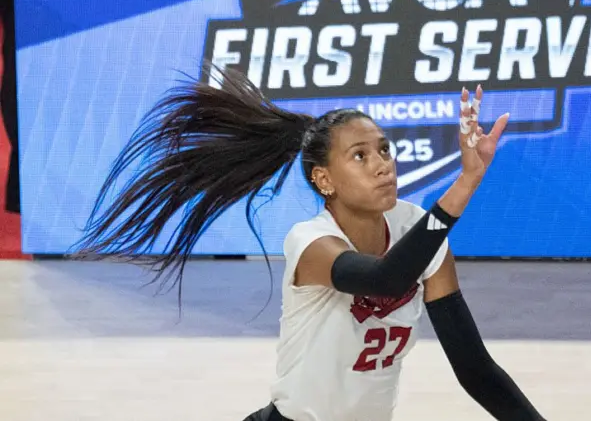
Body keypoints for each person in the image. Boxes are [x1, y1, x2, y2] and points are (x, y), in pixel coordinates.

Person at [73, 66, 546, 421]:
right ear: (324, 179)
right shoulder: (312, 242)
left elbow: (475, 369)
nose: (382, 164)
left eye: (384, 149)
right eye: (360, 156)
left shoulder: (419, 232)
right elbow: (385, 279)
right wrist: (465, 183)